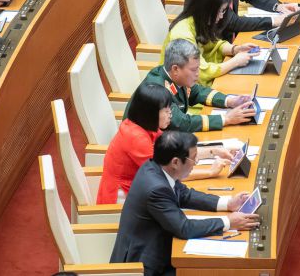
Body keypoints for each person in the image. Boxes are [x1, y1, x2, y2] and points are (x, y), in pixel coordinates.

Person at [109, 131, 260, 274]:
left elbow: (184, 194)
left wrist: (227, 203)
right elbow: (184, 228)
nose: (197, 162)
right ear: (175, 162)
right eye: (193, 158)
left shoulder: (156, 167)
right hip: (145, 266)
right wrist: (228, 222)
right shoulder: (156, 188)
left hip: (157, 251)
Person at [97, 83, 237, 204]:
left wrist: (215, 151)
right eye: (166, 110)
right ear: (151, 113)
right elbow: (168, 173)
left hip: (142, 187)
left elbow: (174, 151)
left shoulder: (145, 126)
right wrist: (210, 172)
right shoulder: (136, 138)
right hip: (122, 198)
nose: (170, 114)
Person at [140, 39, 257, 132]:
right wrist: (226, 119)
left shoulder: (173, 75)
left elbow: (197, 92)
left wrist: (230, 101)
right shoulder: (158, 88)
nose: (198, 74)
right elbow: (180, 123)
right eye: (194, 70)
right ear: (175, 69)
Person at [162, 0, 258, 85]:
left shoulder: (199, 21)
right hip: (185, 88)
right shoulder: (182, 35)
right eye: (220, 11)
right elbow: (200, 71)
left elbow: (214, 43)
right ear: (207, 10)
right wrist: (235, 62)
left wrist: (235, 49)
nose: (221, 16)